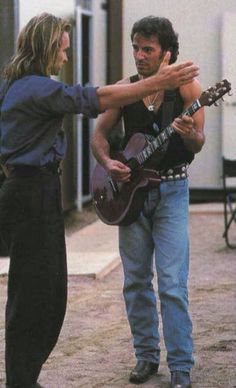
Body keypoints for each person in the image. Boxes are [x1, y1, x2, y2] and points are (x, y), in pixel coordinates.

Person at [0, 12, 199, 388]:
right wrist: (156, 82)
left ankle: (25, 378)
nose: (65, 57)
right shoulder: (36, 87)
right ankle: (22, 381)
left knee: (46, 291)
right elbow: (97, 98)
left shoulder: (16, 85)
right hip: (31, 193)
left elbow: (197, 140)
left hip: (38, 190)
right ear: (46, 48)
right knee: (36, 295)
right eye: (62, 50)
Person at [91, 15, 205, 388]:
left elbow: (198, 142)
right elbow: (99, 137)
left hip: (172, 190)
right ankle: (145, 357)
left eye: (148, 49)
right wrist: (109, 163)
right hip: (130, 197)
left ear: (166, 53)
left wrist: (189, 136)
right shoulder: (126, 89)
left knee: (172, 283)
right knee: (136, 280)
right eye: (136, 47)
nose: (139, 55)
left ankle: (181, 366)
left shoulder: (187, 88)